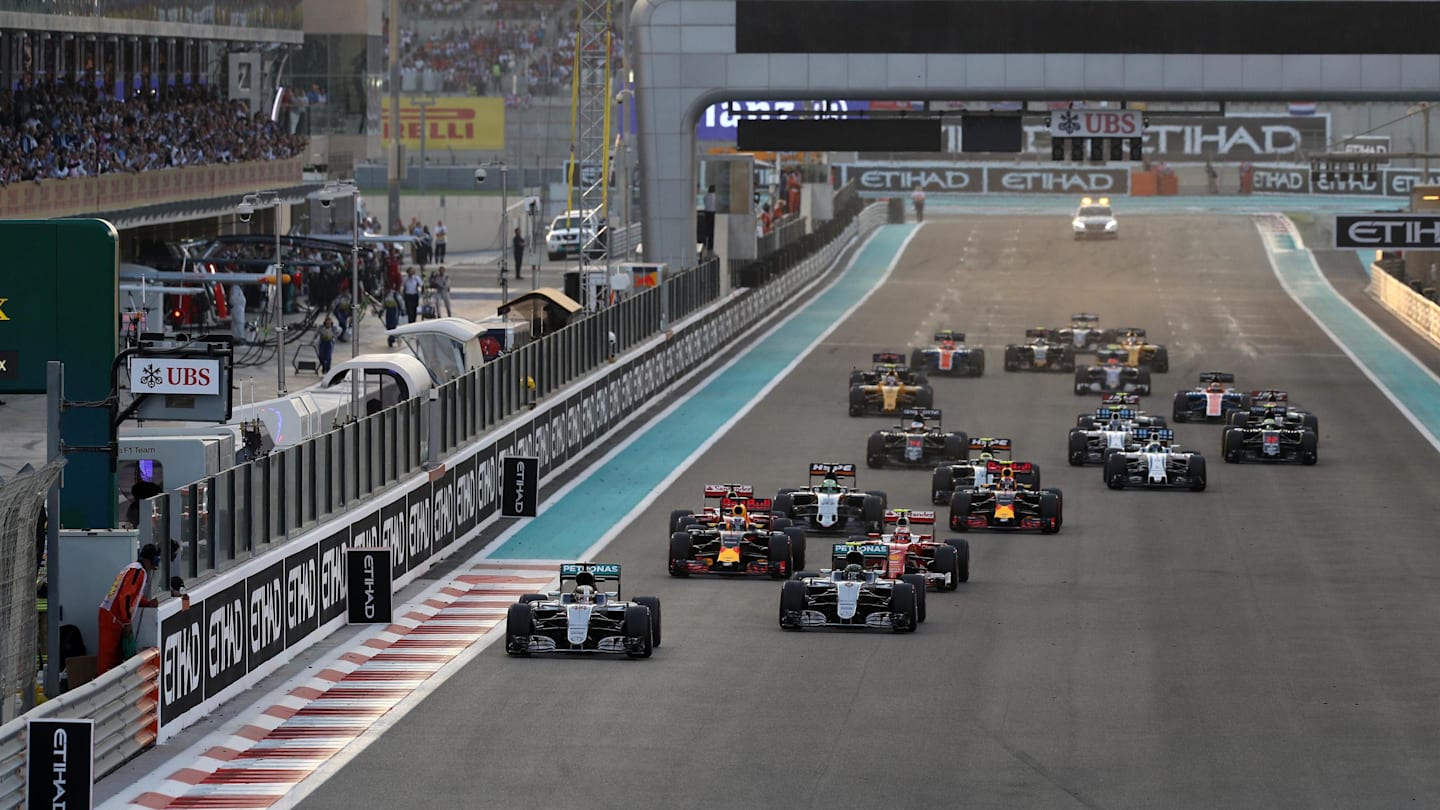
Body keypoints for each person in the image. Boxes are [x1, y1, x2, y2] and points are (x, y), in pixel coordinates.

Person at [97, 543, 160, 675]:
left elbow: (132, 597)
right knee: (108, 656)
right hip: (113, 617)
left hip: (113, 616)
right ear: (150, 559)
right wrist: (127, 622)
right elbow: (125, 596)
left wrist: (147, 604)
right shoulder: (137, 572)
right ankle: (104, 687)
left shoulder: (134, 569)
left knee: (115, 655)